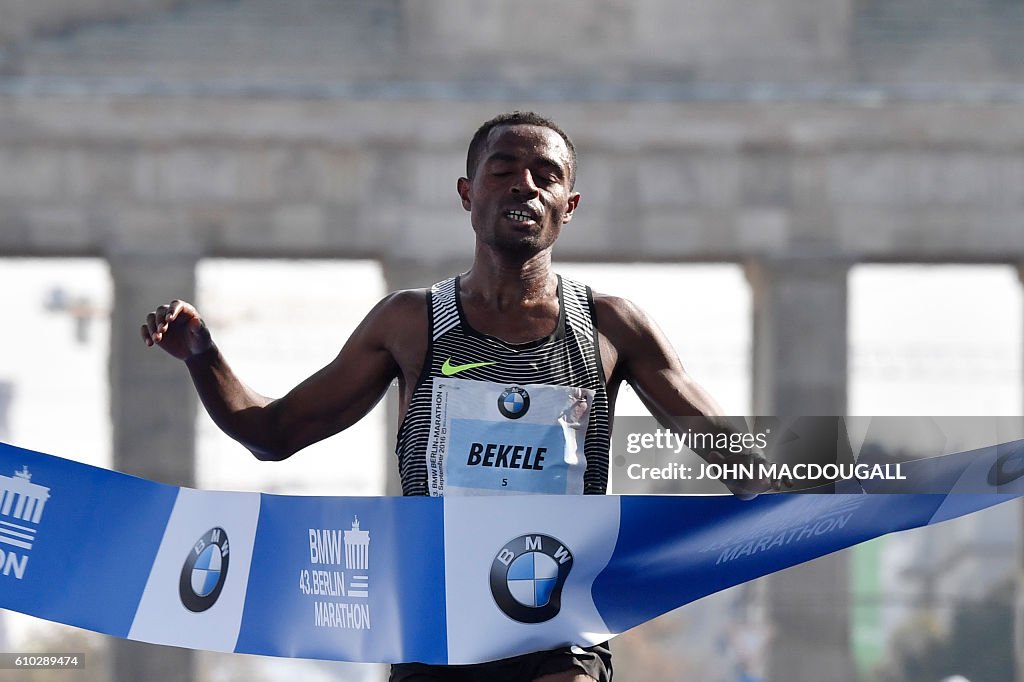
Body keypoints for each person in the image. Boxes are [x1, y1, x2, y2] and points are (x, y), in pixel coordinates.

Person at [142, 111, 772, 682]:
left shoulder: (612, 326)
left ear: (568, 205)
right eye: (503, 171)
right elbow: (272, 434)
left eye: (545, 175)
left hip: (554, 621)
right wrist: (202, 356)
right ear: (468, 194)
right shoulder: (411, 323)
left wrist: (848, 471)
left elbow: (744, 462)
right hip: (435, 621)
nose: (524, 184)